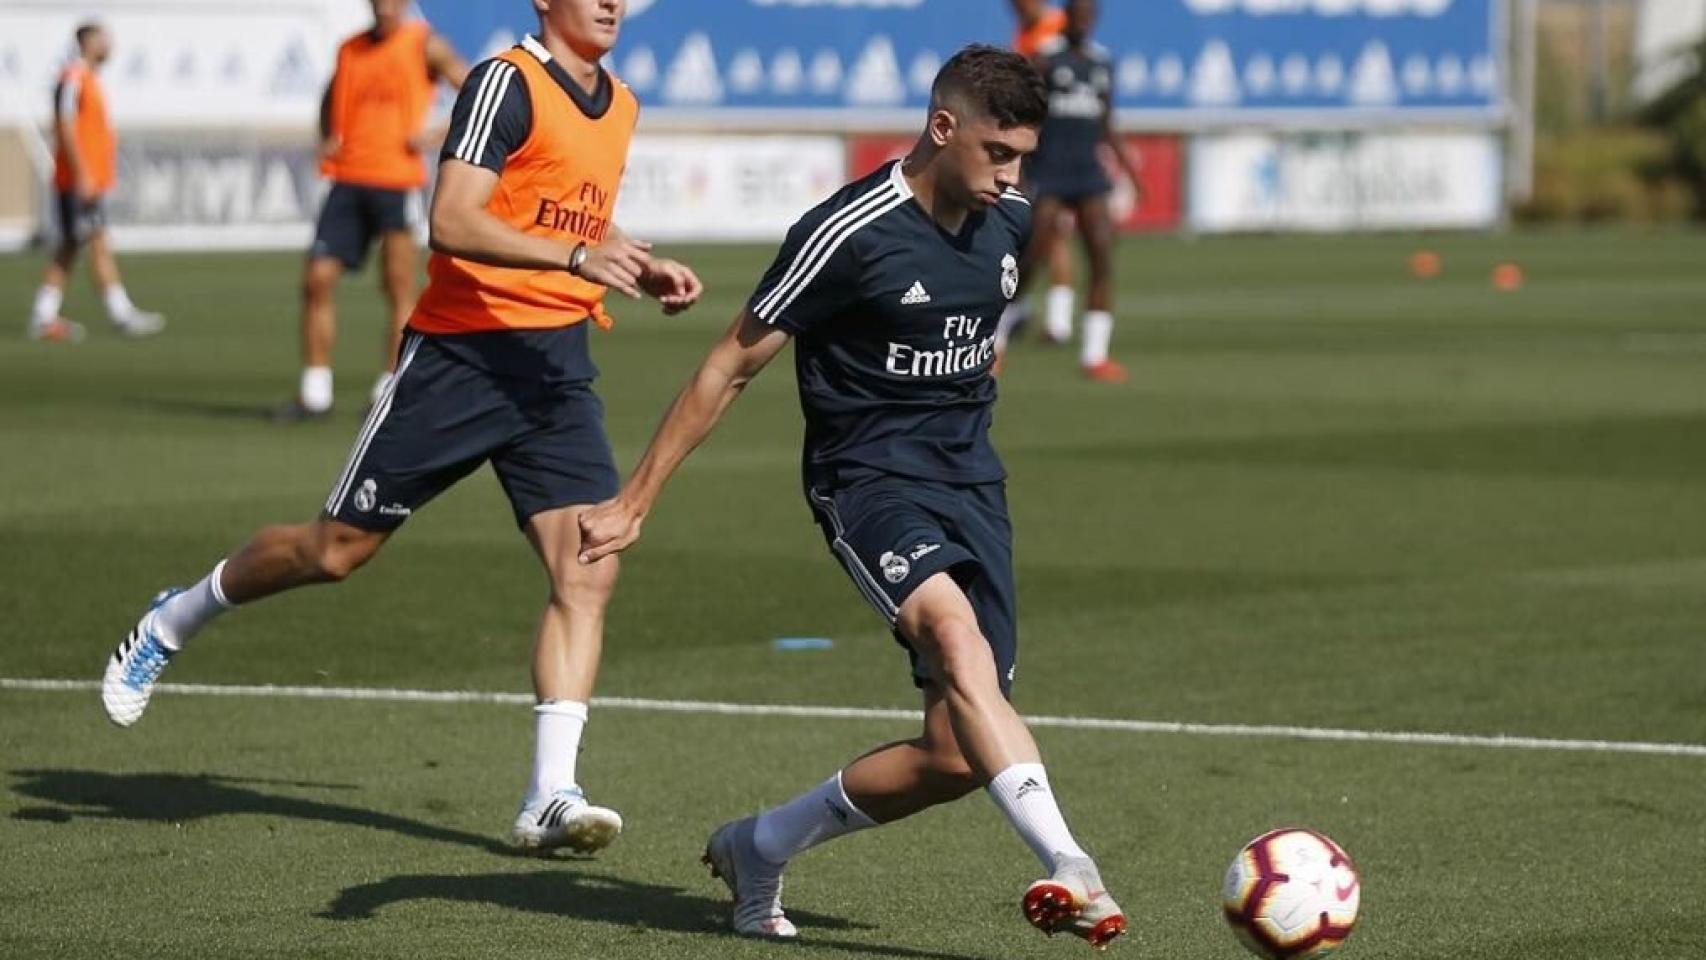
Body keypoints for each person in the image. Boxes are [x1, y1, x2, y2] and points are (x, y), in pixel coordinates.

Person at [101, 0, 702, 857]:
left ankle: (548, 795)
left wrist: (636, 256)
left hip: (556, 368)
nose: (610, 3)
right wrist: (575, 258)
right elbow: (453, 219)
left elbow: (566, 211)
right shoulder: (505, 82)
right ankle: (175, 618)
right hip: (460, 363)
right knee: (333, 552)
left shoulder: (623, 101)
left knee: (589, 566)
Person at [577, 44, 1127, 949]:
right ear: (942, 128)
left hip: (973, 488)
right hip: (866, 482)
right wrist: (636, 499)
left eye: (1023, 155)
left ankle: (761, 845)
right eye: (998, 152)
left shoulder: (1014, 221)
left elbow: (975, 329)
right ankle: (1071, 863)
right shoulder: (847, 231)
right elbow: (729, 364)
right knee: (956, 642)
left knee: (953, 755)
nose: (1013, 174)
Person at [274, 0, 469, 421]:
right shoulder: (351, 49)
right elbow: (330, 97)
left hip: (396, 180)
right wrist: (326, 135)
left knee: (398, 285)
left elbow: (474, 91)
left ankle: (389, 384)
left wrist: (437, 133)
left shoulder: (424, 45)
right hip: (348, 178)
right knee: (316, 279)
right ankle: (315, 391)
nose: (384, 8)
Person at [998, 0, 1140, 382]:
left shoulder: (1101, 63)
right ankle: (994, 342)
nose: (1081, 22)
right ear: (1066, 17)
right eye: (1076, 15)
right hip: (1050, 171)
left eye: (1088, 16)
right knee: (1031, 260)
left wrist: (1129, 171)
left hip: (1088, 174)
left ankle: (1095, 355)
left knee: (1101, 255)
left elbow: (1108, 122)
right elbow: (1023, 117)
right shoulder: (1044, 60)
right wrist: (1018, 166)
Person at [25, 22, 164, 343]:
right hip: (76, 180)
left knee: (80, 244)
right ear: (88, 42)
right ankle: (115, 313)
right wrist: (82, 173)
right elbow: (66, 125)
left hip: (89, 180)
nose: (110, 45)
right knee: (88, 243)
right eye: (104, 39)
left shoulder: (88, 78)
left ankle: (50, 314)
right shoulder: (73, 77)